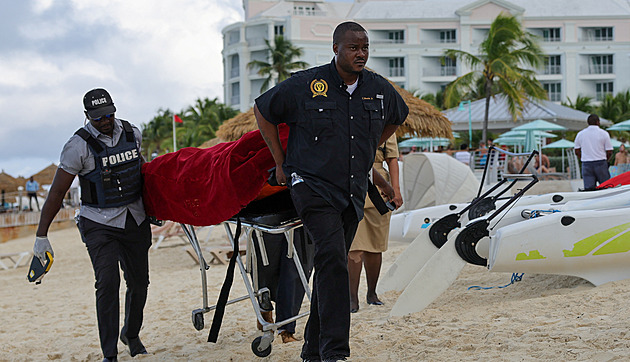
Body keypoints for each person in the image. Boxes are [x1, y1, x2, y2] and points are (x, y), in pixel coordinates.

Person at [253, 21, 409, 361]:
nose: (361, 53)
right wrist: (280, 163)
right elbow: (262, 110)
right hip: (311, 186)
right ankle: (335, 352)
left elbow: (399, 115)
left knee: (329, 267)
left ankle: (311, 349)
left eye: (365, 47)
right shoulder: (306, 85)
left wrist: (370, 147)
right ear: (336, 48)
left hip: (352, 191)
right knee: (334, 260)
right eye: (353, 47)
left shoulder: (379, 89)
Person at [32, 88, 152, 362]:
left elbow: (140, 170)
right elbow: (57, 192)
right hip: (99, 223)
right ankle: (109, 354)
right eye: (98, 118)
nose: (106, 120)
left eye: (109, 114)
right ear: (87, 116)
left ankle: (131, 335)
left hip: (134, 217)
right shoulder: (78, 146)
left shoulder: (133, 133)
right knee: (107, 283)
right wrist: (42, 234)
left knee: (139, 282)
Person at [348, 135, 402, 313]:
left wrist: (396, 190)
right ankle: (352, 298)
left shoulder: (387, 125)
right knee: (354, 248)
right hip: (351, 182)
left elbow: (392, 159)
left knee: (375, 245)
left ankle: (372, 293)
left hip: (380, 190)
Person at [574, 114, 613, 190]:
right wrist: (606, 160)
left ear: (588, 122)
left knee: (589, 190)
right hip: (601, 162)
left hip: (586, 163)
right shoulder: (604, 133)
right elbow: (609, 151)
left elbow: (577, 151)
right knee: (606, 188)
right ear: (598, 122)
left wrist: (583, 157)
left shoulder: (580, 134)